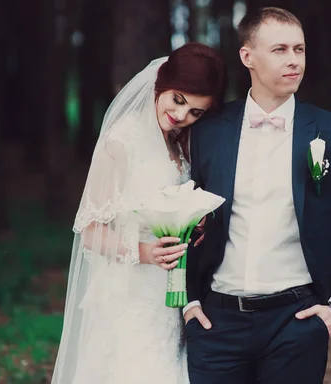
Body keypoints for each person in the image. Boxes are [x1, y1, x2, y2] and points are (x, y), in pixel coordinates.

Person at [184, 7, 331, 384]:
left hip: (296, 323)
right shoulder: (207, 131)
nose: (294, 60)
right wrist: (189, 300)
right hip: (215, 324)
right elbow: (180, 220)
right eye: (280, 49)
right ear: (248, 56)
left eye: (300, 49)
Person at [50, 42, 227, 384]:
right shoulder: (122, 141)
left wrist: (194, 223)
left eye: (195, 111)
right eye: (178, 99)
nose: (182, 116)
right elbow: (89, 229)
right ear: (161, 82)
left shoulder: (177, 143)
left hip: (171, 297)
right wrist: (144, 252)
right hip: (129, 295)